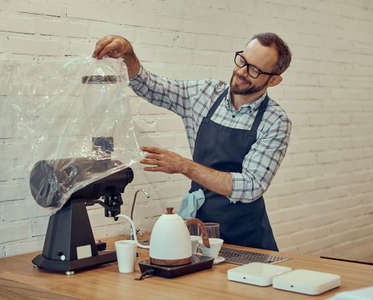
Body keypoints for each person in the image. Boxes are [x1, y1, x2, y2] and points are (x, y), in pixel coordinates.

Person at [92, 33, 292, 251]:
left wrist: (184, 166)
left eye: (254, 70)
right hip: (201, 229)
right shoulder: (205, 94)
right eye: (242, 61)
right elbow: (151, 87)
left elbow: (251, 186)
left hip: (248, 238)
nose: (241, 72)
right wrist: (129, 55)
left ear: (274, 80)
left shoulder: (275, 121)